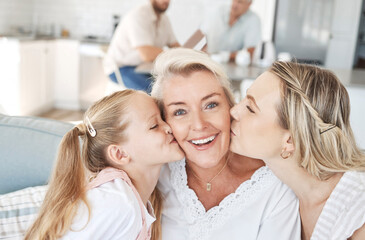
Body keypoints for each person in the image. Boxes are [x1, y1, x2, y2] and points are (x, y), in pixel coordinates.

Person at [150, 48, 301, 240]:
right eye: (180, 112)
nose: (199, 125)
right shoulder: (157, 174)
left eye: (211, 105)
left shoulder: (275, 189)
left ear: (231, 107)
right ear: (165, 123)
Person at [230, 61, 365, 239]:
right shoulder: (286, 189)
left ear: (290, 140)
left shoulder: (356, 215)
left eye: (250, 108)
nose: (233, 111)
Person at [25, 90, 184, 240]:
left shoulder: (131, 199)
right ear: (119, 154)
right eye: (154, 126)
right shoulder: (118, 202)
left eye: (163, 118)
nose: (169, 127)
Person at [103, 0, 180, 93]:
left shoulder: (164, 19)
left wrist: (190, 55)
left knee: (172, 85)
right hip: (121, 68)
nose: (166, 1)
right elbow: (147, 54)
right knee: (157, 92)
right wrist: (176, 55)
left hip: (144, 68)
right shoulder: (138, 16)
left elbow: (175, 45)